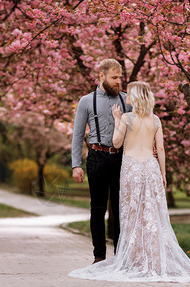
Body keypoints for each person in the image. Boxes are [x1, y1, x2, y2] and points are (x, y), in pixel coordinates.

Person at [69, 82, 190, 282]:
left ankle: (134, 258)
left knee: (132, 213)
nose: (126, 96)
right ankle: (154, 258)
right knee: (153, 214)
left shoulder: (126, 117)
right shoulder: (156, 120)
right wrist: (163, 174)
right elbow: (161, 149)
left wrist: (116, 120)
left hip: (132, 168)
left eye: (129, 94)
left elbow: (116, 143)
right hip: (151, 167)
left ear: (136, 97)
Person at [71, 59, 132, 264]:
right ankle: (99, 257)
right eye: (114, 78)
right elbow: (78, 135)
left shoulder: (127, 100)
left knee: (120, 208)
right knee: (97, 208)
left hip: (121, 158)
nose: (118, 82)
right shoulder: (86, 101)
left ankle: (120, 255)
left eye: (120, 78)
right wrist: (76, 165)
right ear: (102, 76)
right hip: (96, 158)